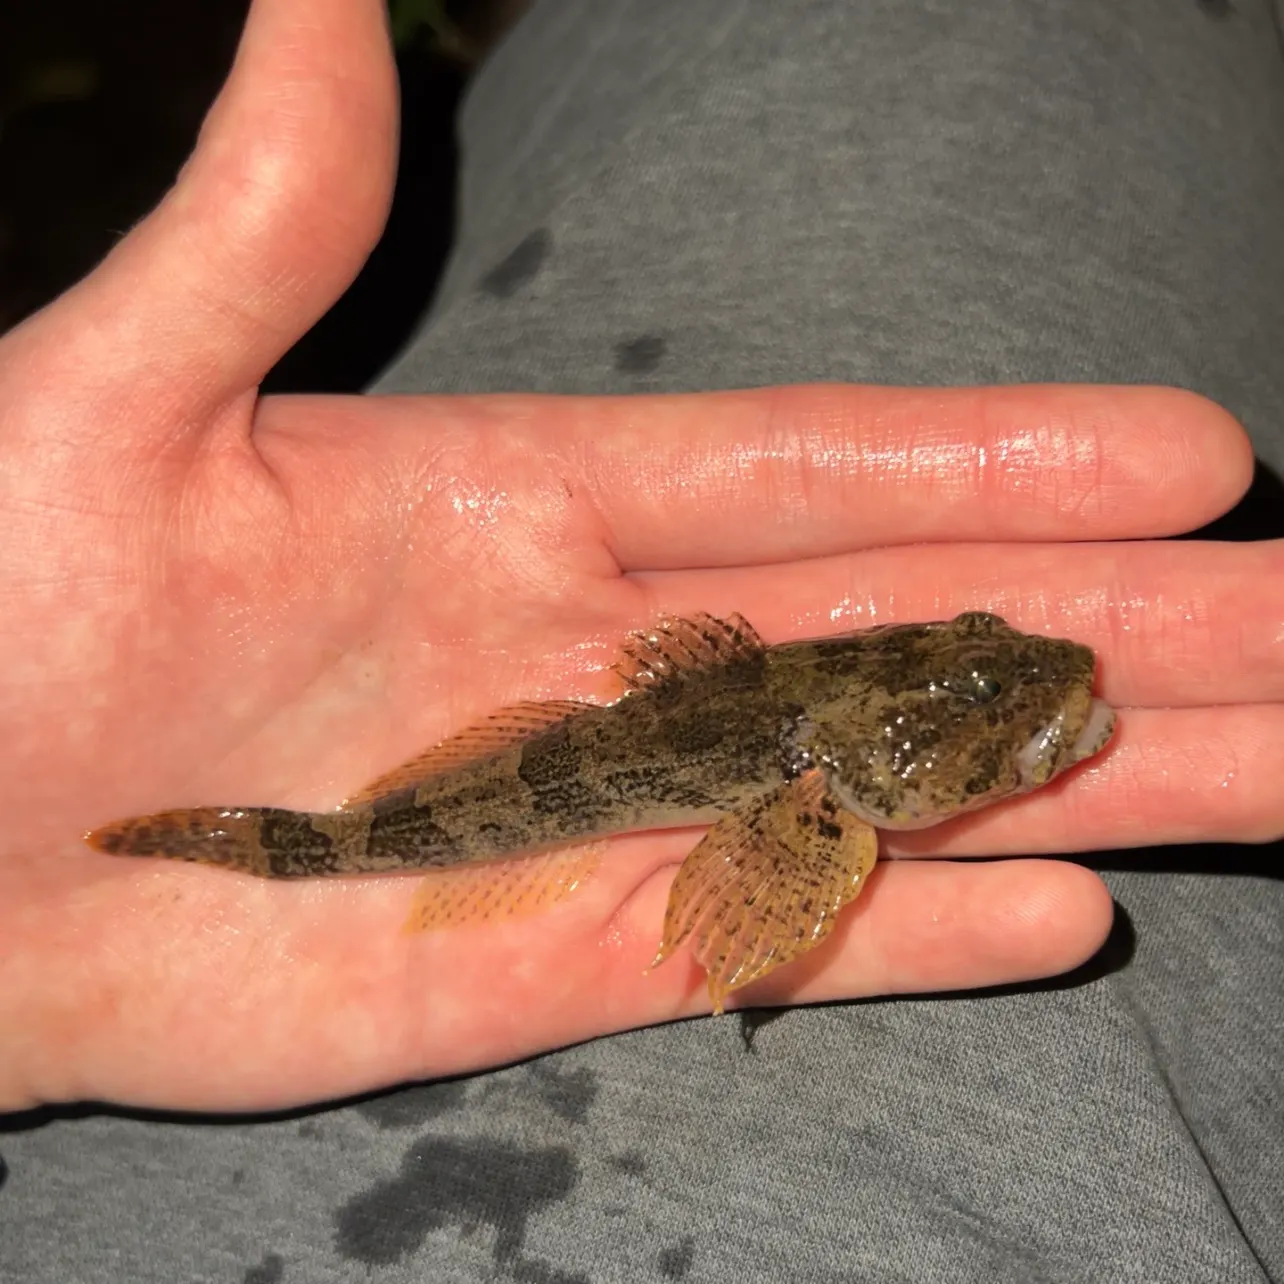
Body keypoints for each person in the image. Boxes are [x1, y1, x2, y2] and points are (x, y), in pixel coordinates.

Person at [0, 1, 1279, 1280]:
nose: (1031, 713)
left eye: (992, 713)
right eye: (992, 727)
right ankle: (288, 850)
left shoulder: (819, 761)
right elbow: (748, 868)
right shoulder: (817, 795)